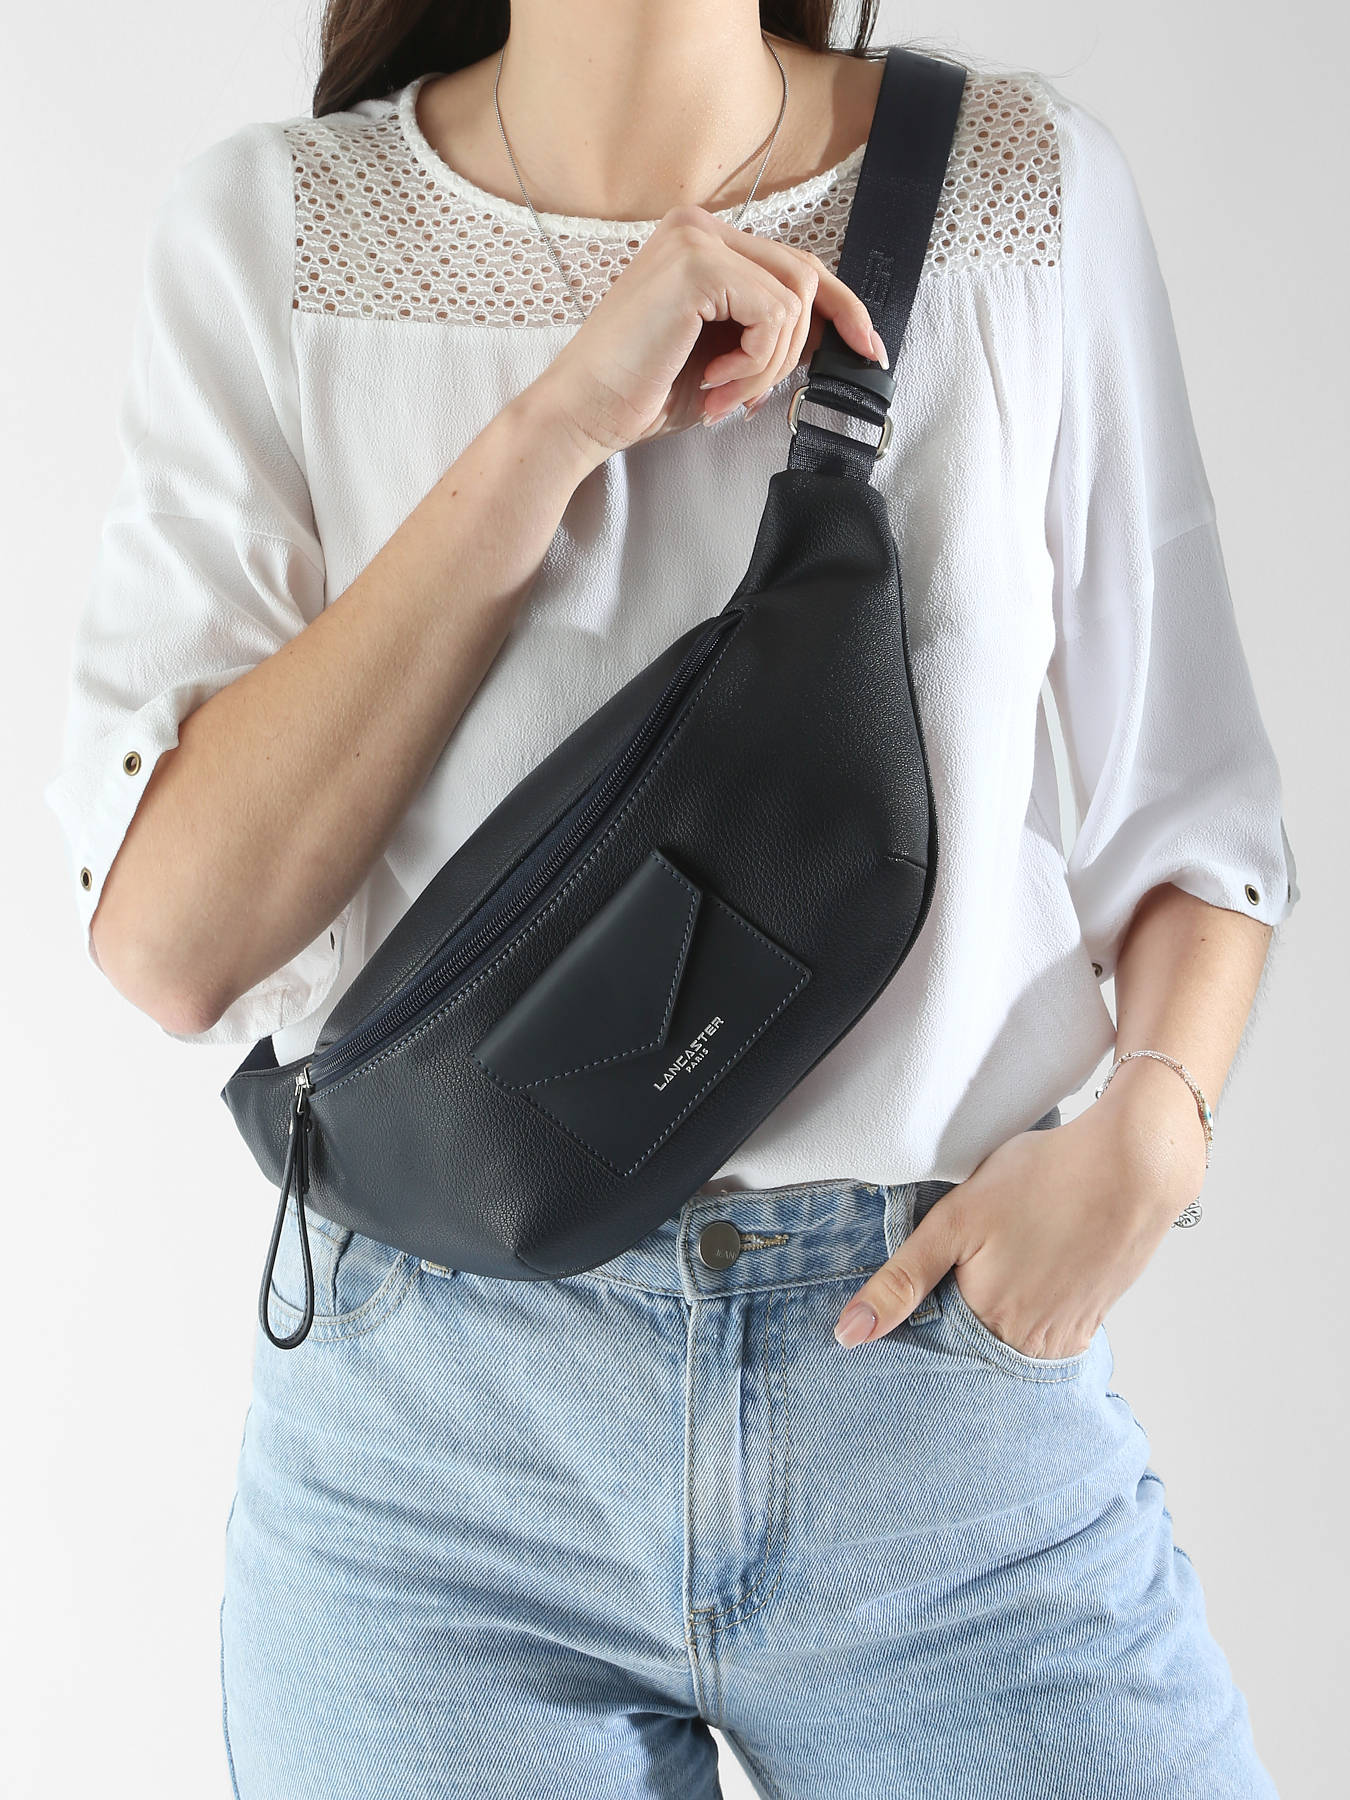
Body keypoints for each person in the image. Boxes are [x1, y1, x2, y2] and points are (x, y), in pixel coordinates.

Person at [43, 5, 1297, 1795]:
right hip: (432, 1472)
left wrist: (1153, 1138)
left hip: (929, 1396)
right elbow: (172, 945)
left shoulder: (1015, 193)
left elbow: (1196, 816)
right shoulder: (281, 233)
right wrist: (553, 425)